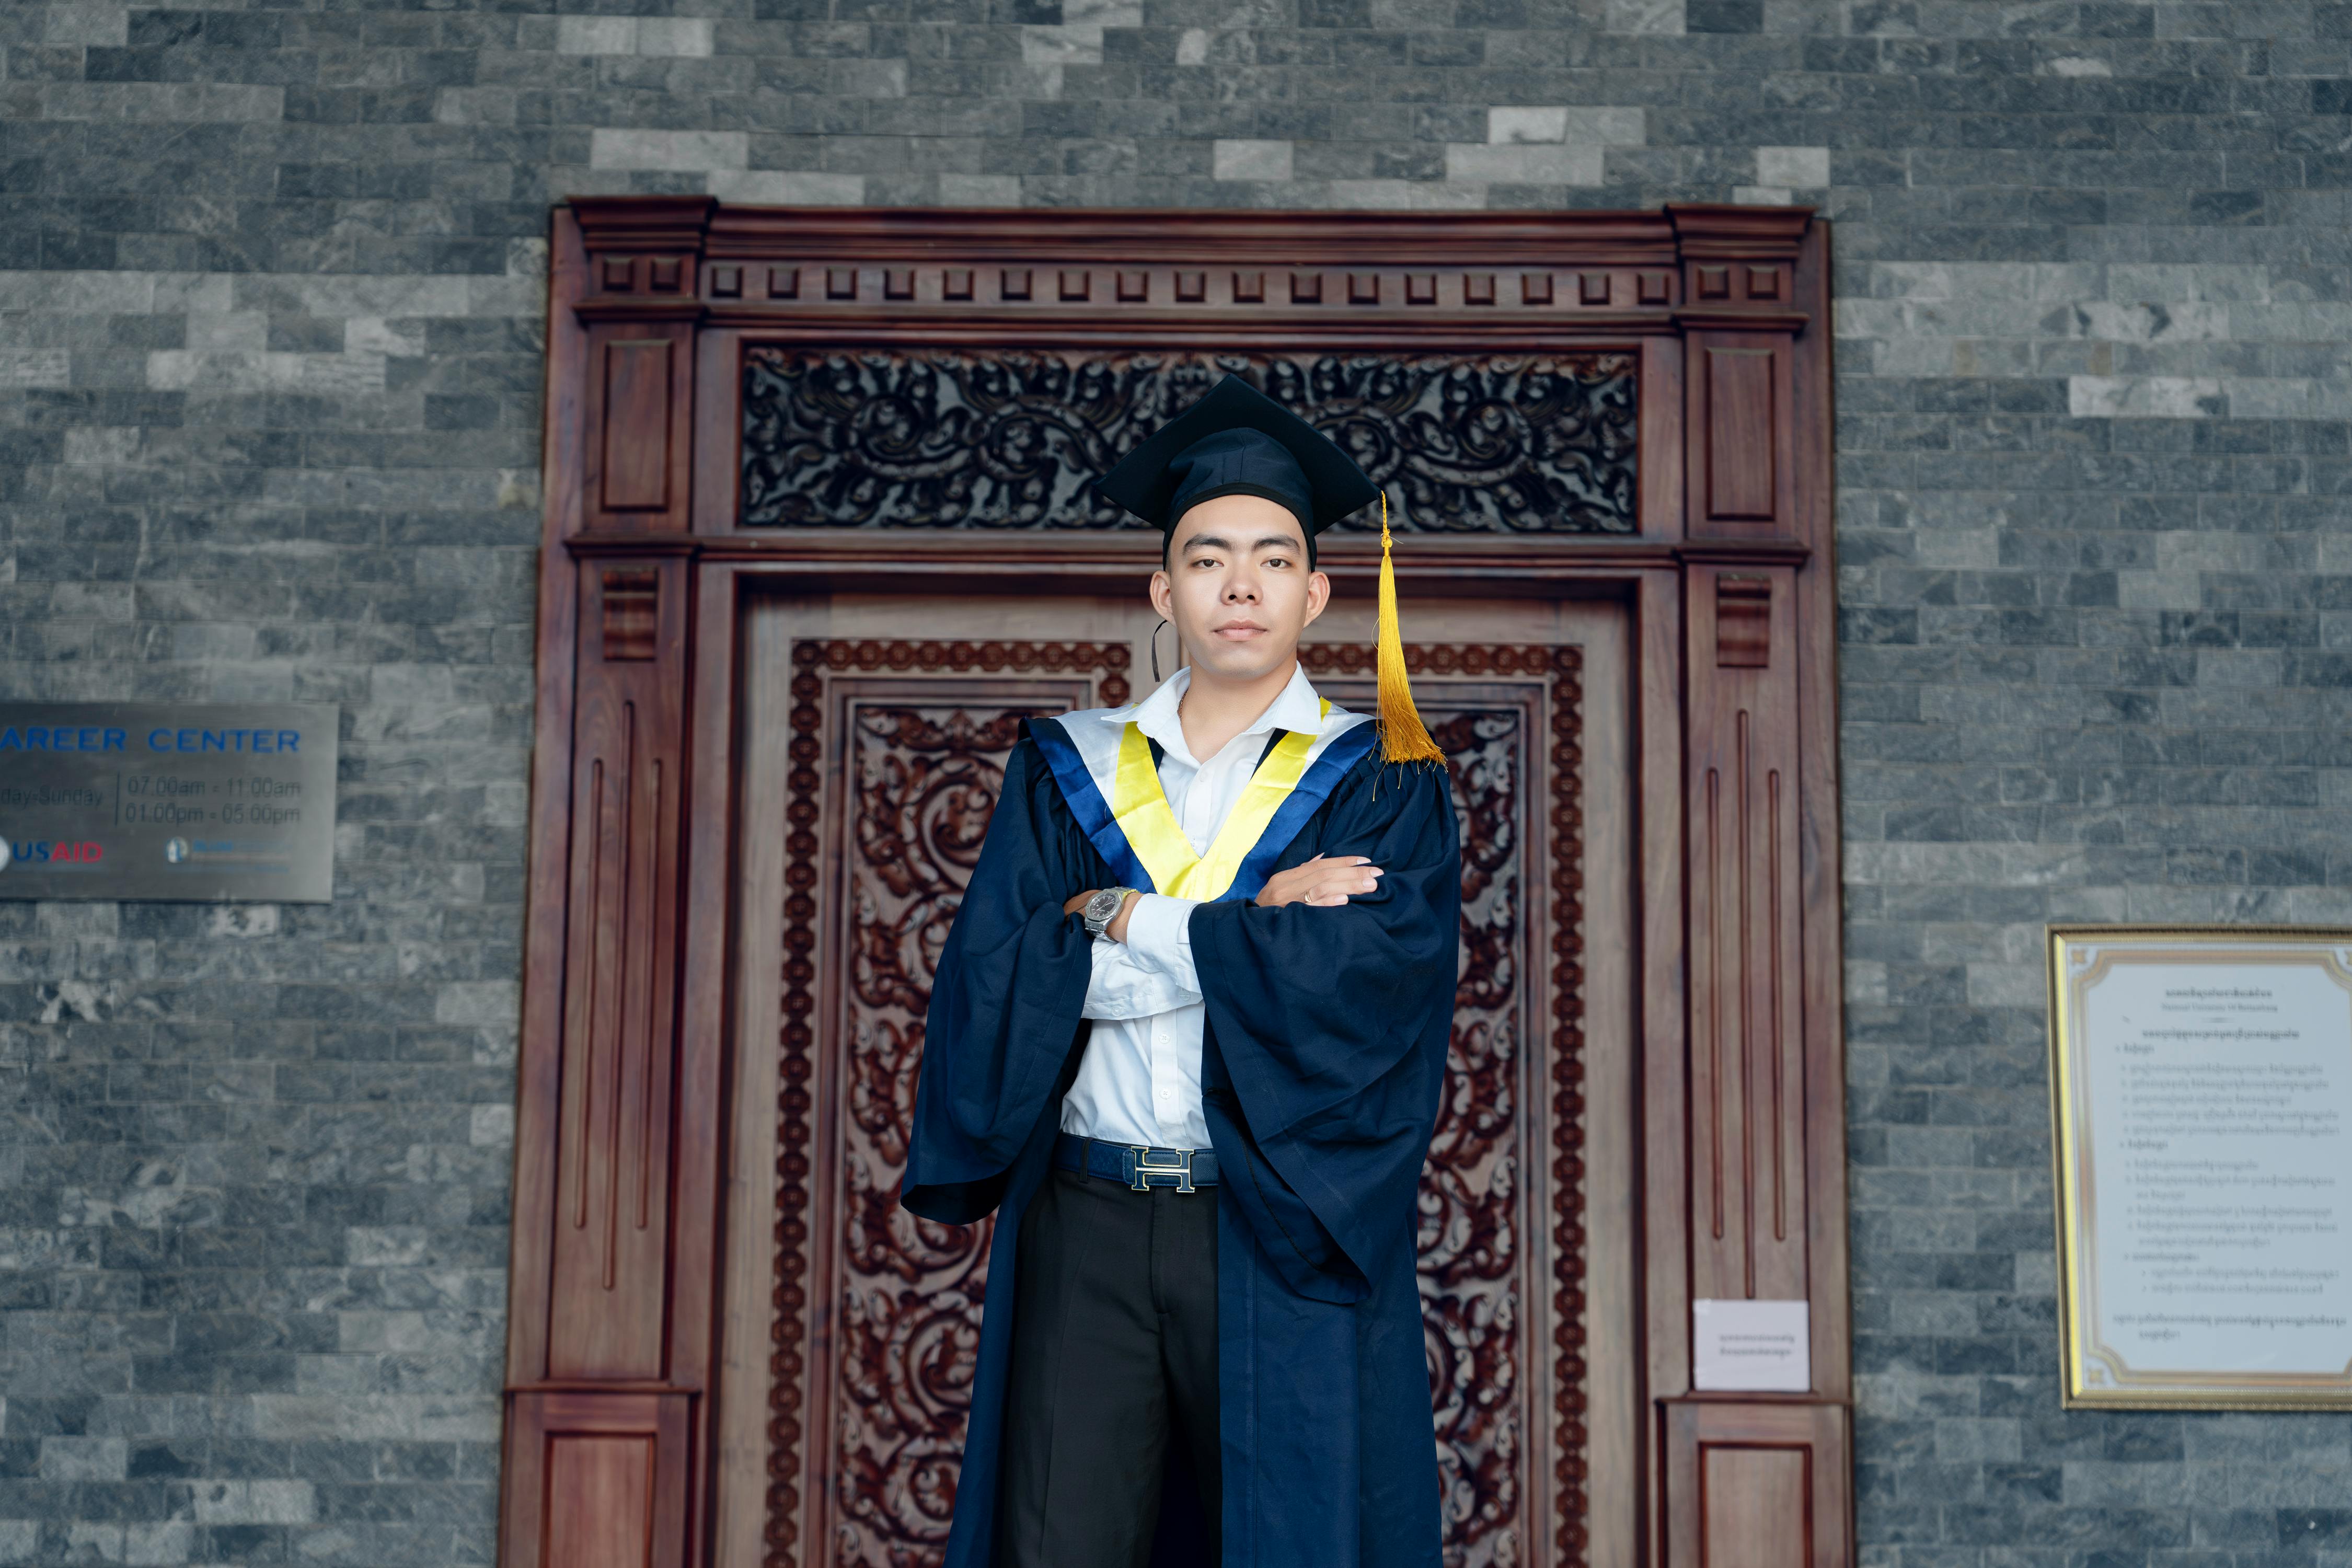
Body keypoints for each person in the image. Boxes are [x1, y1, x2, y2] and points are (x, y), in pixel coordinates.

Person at [902, 374, 1461, 1568]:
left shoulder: (1384, 779)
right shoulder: (1065, 769)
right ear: (1166, 590)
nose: (1241, 585)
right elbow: (1003, 980)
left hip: (1277, 1225)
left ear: (1316, 591)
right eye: (1208, 559)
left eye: (1272, 559)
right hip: (1087, 1228)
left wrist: (1116, 922)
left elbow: (1357, 989)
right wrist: (1249, 922)